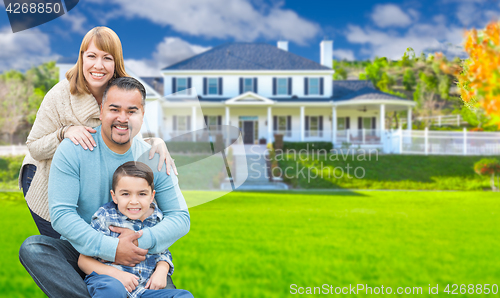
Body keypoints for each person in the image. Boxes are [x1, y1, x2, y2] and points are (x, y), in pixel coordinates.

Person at [19, 77, 190, 298]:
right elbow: (62, 215)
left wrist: (138, 241)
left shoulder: (153, 156)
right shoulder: (74, 149)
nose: (122, 118)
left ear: (142, 115)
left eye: (131, 111)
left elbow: (180, 217)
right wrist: (112, 248)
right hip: (83, 248)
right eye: (114, 109)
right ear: (101, 110)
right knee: (34, 248)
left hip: (139, 254)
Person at [19, 26, 177, 239]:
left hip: (88, 184)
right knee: (68, 249)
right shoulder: (60, 95)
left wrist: (155, 141)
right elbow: (34, 146)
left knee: (94, 244)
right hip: (44, 177)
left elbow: (128, 134)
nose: (98, 65)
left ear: (116, 62)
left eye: (107, 58)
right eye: (91, 56)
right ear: (82, 58)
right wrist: (63, 133)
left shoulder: (122, 91)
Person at [79, 161, 193, 298]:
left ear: (152, 196)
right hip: (109, 281)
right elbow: (83, 260)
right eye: (126, 194)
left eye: (142, 194)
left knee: (184, 296)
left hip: (143, 289)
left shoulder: (156, 218)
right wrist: (117, 275)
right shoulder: (105, 216)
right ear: (114, 196)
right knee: (112, 290)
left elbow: (163, 252)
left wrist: (162, 270)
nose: (134, 201)